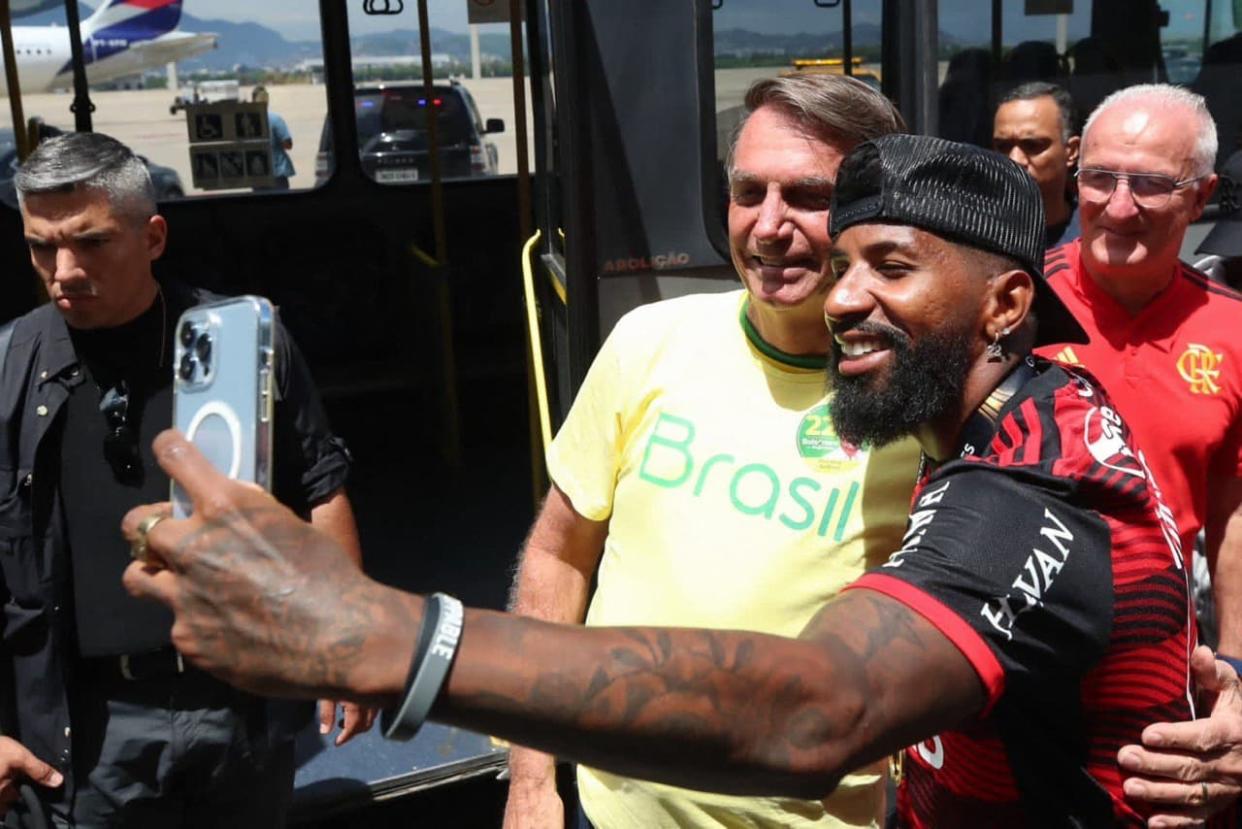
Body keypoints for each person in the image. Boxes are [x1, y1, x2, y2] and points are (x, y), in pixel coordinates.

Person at [127, 134, 1209, 825]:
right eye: (845, 265)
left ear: (1008, 307)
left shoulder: (1028, 488)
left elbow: (821, 711)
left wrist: (381, 636)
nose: (840, 300)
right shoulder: (1029, 416)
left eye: (893, 268)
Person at [505, 74, 916, 829]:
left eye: (806, 196)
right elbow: (559, 557)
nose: (768, 225)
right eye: (747, 191)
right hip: (605, 812)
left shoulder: (921, 409)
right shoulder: (648, 343)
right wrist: (533, 781)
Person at [0, 131, 368, 827]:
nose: (63, 269)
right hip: (87, 725)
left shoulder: (243, 345)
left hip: (238, 699)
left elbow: (321, 485)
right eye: (41, 245)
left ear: (154, 236)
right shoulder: (10, 370)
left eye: (90, 241)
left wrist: (349, 646)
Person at [1036, 84, 1242, 667]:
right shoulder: (1009, 306)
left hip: (1158, 665)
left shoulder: (1233, 330)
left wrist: (1235, 667)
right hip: (1011, 655)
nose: (1118, 206)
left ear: (1201, 198)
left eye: (1150, 184)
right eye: (1100, 177)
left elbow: (1235, 518)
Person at [993, 81, 1082, 248]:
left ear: (1071, 151)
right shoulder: (974, 236)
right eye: (1003, 146)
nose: (1015, 159)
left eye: (1032, 145)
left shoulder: (1096, 239)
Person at [252, 85, 294, 190]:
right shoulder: (275, 119)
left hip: (257, 174)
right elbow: (288, 145)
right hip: (277, 173)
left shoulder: (246, 121)